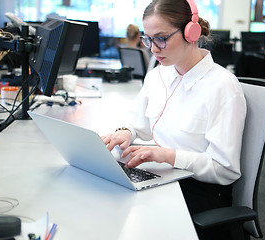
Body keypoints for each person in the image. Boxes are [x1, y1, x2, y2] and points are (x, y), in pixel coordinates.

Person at [101, 0, 246, 237]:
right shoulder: (158, 76)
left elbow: (225, 169)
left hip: (200, 189)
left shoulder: (223, 86)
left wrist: (168, 155)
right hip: (164, 175)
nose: (153, 49)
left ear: (191, 32)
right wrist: (125, 132)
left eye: (161, 38)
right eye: (148, 39)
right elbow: (139, 124)